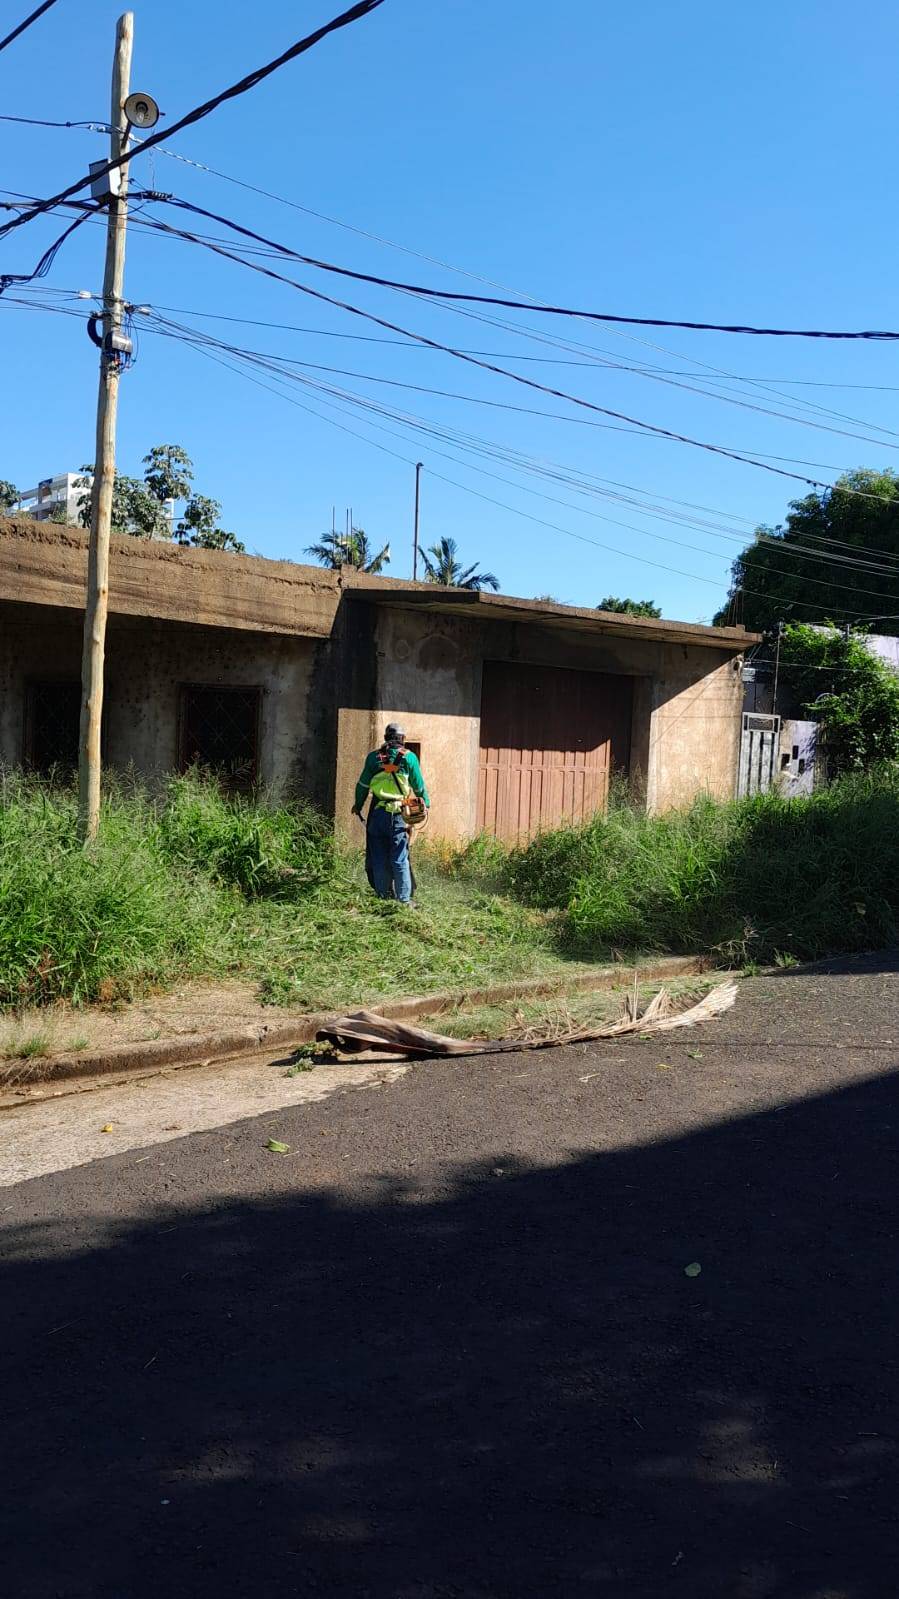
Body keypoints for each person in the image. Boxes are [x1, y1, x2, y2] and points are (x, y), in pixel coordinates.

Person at [353, 723, 429, 903]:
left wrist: (358, 805)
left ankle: (383, 896)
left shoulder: (374, 758)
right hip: (399, 815)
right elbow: (419, 787)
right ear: (402, 739)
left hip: (377, 814)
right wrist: (426, 805)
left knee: (379, 857)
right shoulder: (409, 758)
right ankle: (404, 900)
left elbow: (362, 786)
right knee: (399, 858)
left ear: (386, 738)